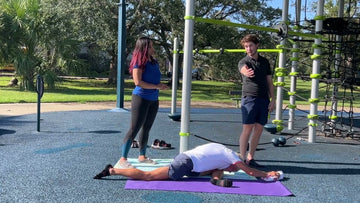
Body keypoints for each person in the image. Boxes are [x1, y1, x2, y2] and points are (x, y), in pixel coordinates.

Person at [94, 143, 283, 187]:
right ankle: (113, 170)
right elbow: (249, 171)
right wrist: (267, 174)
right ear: (236, 161)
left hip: (187, 161)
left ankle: (215, 181)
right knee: (147, 176)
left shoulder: (223, 157)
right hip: (184, 164)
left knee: (215, 172)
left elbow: (218, 168)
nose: (232, 170)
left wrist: (219, 177)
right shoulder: (231, 156)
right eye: (234, 167)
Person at [118, 36, 169, 169]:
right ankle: (123, 158)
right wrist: (157, 86)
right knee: (134, 128)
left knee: (146, 128)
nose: (153, 48)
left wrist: (160, 85)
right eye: (151, 46)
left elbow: (153, 81)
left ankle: (142, 156)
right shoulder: (139, 62)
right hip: (140, 99)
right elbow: (138, 82)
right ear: (145, 48)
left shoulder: (154, 62)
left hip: (154, 100)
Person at [238, 34, 275, 167]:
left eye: (251, 45)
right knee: (247, 128)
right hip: (249, 98)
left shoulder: (265, 62)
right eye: (246, 46)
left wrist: (273, 99)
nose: (248, 49)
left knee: (259, 128)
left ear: (257, 45)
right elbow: (242, 69)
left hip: (263, 99)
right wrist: (245, 72)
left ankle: (250, 157)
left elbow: (269, 82)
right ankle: (241, 159)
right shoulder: (244, 62)